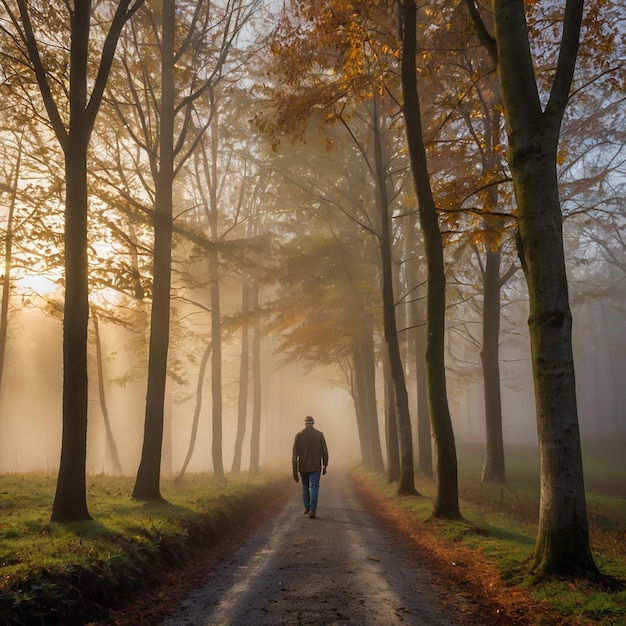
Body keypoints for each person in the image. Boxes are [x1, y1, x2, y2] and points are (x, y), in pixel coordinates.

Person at [292, 415, 329, 519]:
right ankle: (312, 509)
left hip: (303, 467)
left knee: (305, 487)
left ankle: (306, 507)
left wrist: (294, 469)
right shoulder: (319, 435)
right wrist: (325, 465)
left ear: (305, 423)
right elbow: (324, 452)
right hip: (316, 467)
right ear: (313, 423)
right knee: (315, 486)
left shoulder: (299, 435)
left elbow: (294, 454)